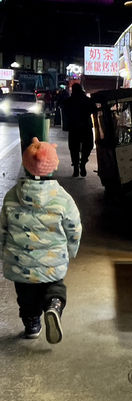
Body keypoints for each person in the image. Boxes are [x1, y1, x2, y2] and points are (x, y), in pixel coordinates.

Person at [0, 137, 82, 343]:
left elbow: (2, 228)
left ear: (25, 165)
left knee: (26, 296)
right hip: (52, 260)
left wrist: (3, 252)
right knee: (55, 286)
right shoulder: (63, 197)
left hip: (20, 263)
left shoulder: (11, 196)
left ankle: (32, 325)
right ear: (54, 166)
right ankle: (54, 304)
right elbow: (74, 227)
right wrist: (72, 249)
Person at [62, 83, 97, 177]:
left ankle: (76, 167)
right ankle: (83, 163)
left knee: (74, 149)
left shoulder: (69, 101)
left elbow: (64, 110)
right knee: (88, 146)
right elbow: (94, 109)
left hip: (74, 128)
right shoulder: (87, 100)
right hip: (86, 127)